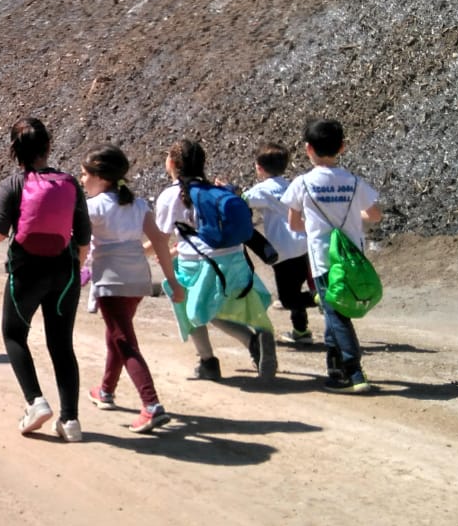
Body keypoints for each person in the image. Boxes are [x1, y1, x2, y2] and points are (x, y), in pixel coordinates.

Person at [0, 117, 91, 440]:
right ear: (48, 145)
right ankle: (70, 421)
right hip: (64, 273)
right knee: (62, 344)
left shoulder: (13, 185)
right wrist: (73, 271)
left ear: (14, 150)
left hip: (26, 272)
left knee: (14, 334)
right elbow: (83, 240)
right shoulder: (70, 183)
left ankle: (36, 402)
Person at [81, 146, 186, 433]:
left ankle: (151, 405)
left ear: (101, 177)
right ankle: (106, 390)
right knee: (117, 334)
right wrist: (172, 281)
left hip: (110, 281)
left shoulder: (93, 207)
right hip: (138, 280)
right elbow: (160, 243)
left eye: (85, 174)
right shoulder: (138, 205)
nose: (82, 180)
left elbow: (80, 246)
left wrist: (74, 273)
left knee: (124, 340)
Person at [155, 139, 277, 384]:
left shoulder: (170, 196)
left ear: (174, 163)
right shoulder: (215, 190)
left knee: (193, 310)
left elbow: (160, 238)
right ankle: (254, 341)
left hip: (199, 265)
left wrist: (136, 252)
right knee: (216, 308)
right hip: (235, 258)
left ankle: (211, 360)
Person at [282, 119, 383, 392]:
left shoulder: (302, 183)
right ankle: (335, 370)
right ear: (342, 147)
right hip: (351, 258)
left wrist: (317, 225)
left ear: (308, 149)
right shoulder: (354, 181)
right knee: (332, 311)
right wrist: (352, 219)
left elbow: (294, 224)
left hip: (323, 259)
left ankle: (353, 372)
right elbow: (375, 215)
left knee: (336, 313)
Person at [245, 141, 313, 343]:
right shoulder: (290, 185)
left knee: (288, 299)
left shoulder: (262, 190)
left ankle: (321, 299)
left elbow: (242, 200)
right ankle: (301, 331)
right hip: (303, 245)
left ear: (259, 167)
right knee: (296, 292)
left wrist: (227, 189)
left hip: (283, 250)